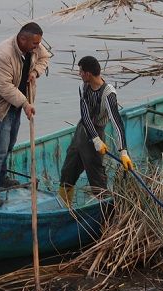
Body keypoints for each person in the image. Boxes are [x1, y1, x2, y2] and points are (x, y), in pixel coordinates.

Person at [0, 22, 50, 207]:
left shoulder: (34, 46)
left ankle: (1, 178)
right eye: (35, 43)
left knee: (9, 144)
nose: (38, 46)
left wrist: (35, 72)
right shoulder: (2, 55)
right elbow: (4, 88)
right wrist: (26, 103)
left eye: (38, 43)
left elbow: (45, 58)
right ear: (22, 39)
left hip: (17, 104)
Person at [58, 56, 134, 206]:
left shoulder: (108, 94)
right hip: (82, 130)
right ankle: (65, 206)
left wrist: (123, 152)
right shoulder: (83, 87)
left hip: (98, 129)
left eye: (80, 71)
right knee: (68, 169)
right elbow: (85, 116)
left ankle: (105, 207)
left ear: (88, 74)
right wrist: (95, 139)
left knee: (96, 174)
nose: (79, 74)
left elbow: (117, 123)